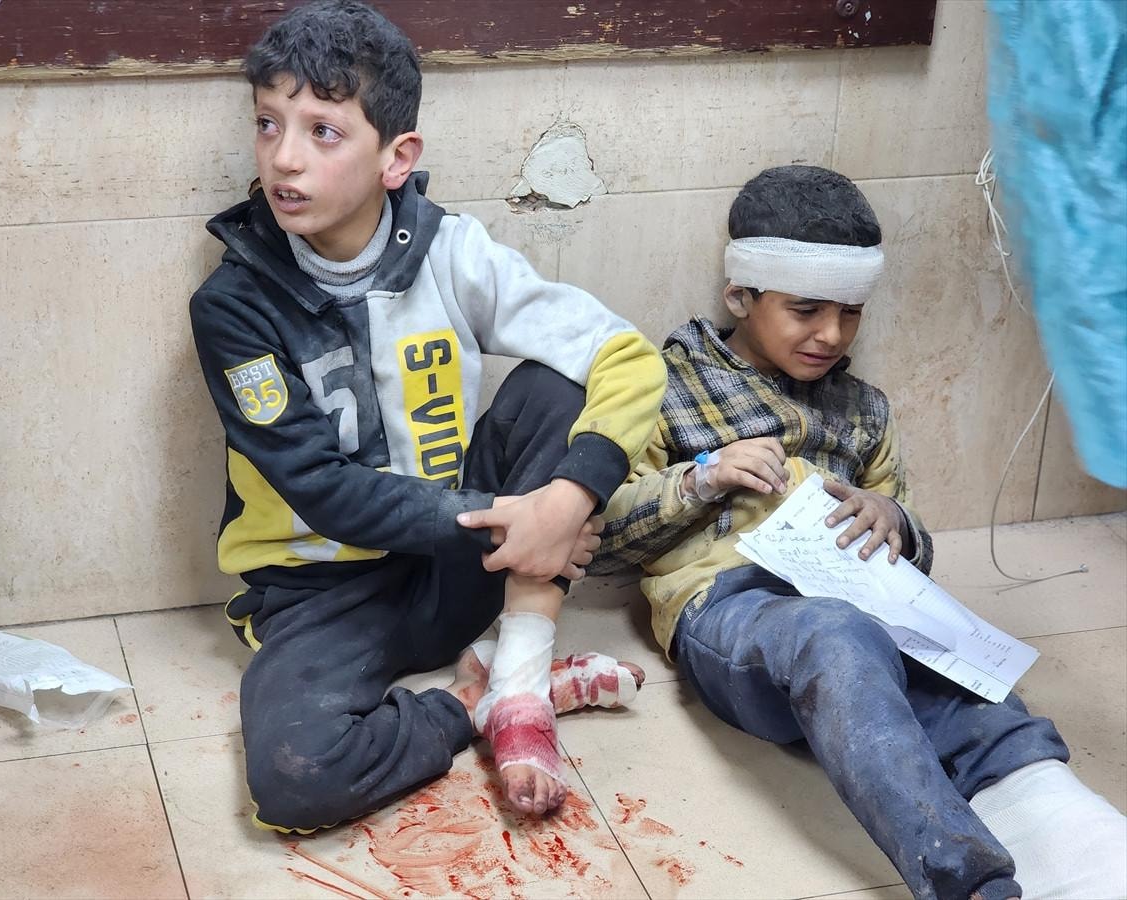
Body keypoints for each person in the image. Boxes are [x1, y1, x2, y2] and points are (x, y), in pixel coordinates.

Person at [188, 0, 666, 832]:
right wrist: (514, 523)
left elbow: (627, 355)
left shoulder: (452, 251)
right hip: (321, 598)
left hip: (456, 569)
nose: (284, 157)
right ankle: (476, 699)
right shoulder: (234, 306)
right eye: (267, 123)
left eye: (322, 131)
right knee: (295, 780)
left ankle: (520, 675)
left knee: (561, 384)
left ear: (396, 157)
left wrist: (564, 505)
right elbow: (323, 490)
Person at [590, 165, 1127, 900]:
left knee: (957, 669)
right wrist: (702, 478)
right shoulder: (667, 385)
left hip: (865, 598)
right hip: (734, 607)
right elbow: (603, 541)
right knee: (836, 637)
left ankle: (1079, 844)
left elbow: (911, 544)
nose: (831, 334)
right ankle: (970, 884)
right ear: (741, 296)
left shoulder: (864, 408)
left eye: (850, 313)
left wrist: (893, 521)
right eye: (805, 310)